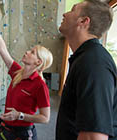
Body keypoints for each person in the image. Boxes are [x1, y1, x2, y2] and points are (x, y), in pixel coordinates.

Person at [0, 6, 53, 140]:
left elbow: (45, 118)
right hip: (5, 130)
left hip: (22, 134)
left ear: (38, 62)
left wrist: (20, 115)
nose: (27, 52)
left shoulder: (40, 85)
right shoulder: (17, 72)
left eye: (32, 52)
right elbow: (2, 50)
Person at [55, 0, 116, 140]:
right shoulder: (85, 57)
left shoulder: (94, 63)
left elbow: (93, 137)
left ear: (83, 21)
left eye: (72, 10)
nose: (65, 13)